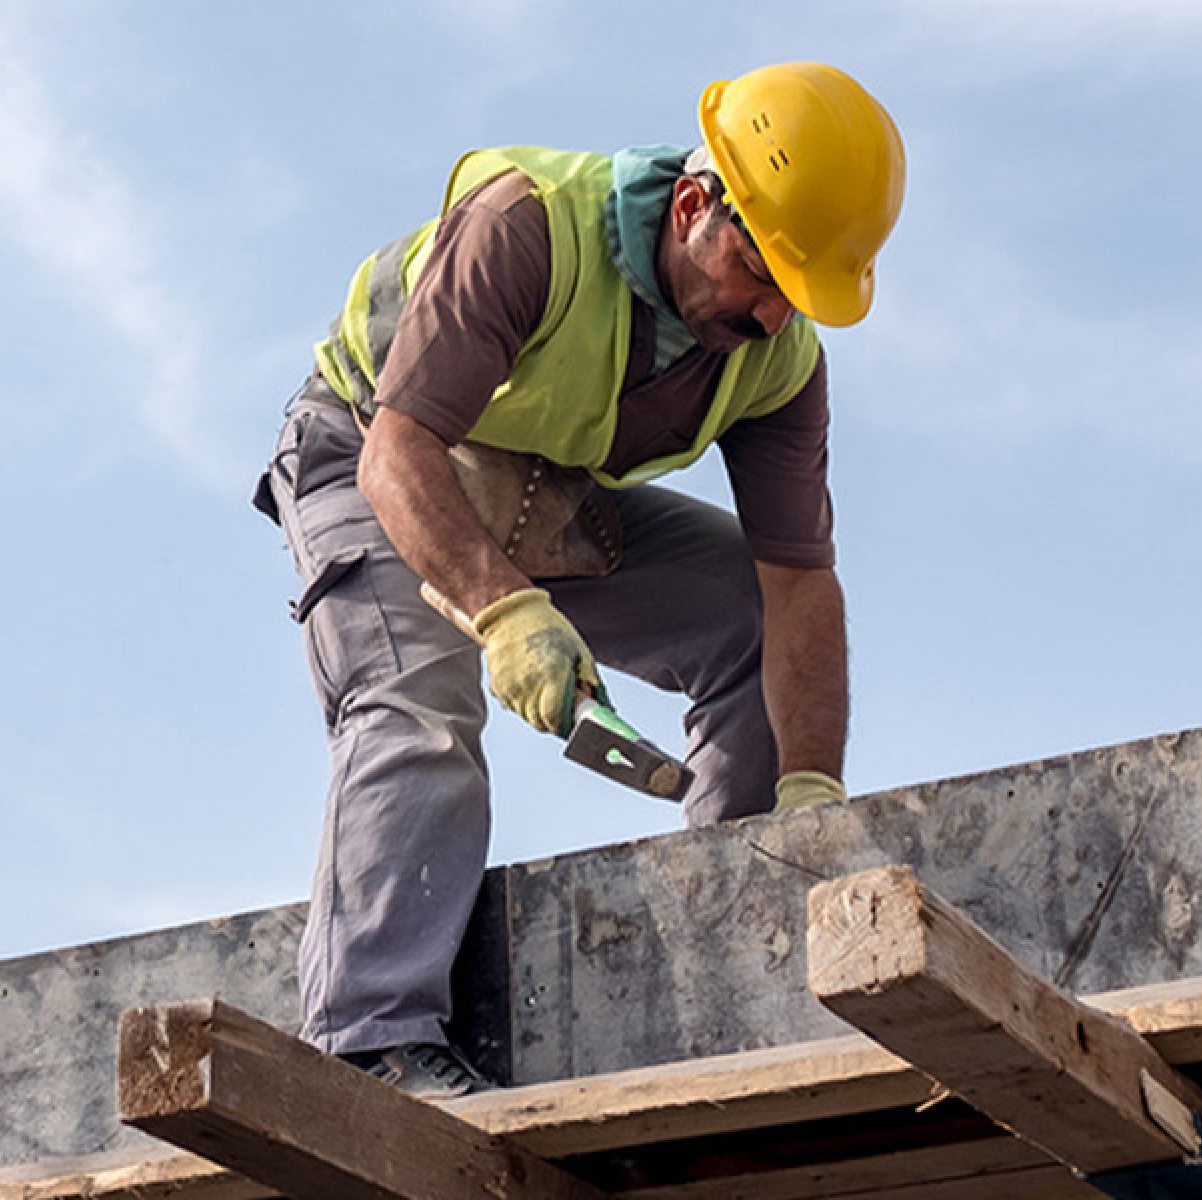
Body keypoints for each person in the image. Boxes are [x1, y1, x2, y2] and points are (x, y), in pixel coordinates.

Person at [252, 62, 907, 1098]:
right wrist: (506, 610)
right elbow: (400, 453)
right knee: (417, 704)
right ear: (695, 206)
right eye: (766, 275)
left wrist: (811, 792)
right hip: (368, 450)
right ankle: (372, 1043)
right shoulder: (528, 228)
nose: (778, 315)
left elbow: (798, 587)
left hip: (536, 487)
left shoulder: (777, 364)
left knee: (741, 618)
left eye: (800, 293)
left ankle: (745, 941)